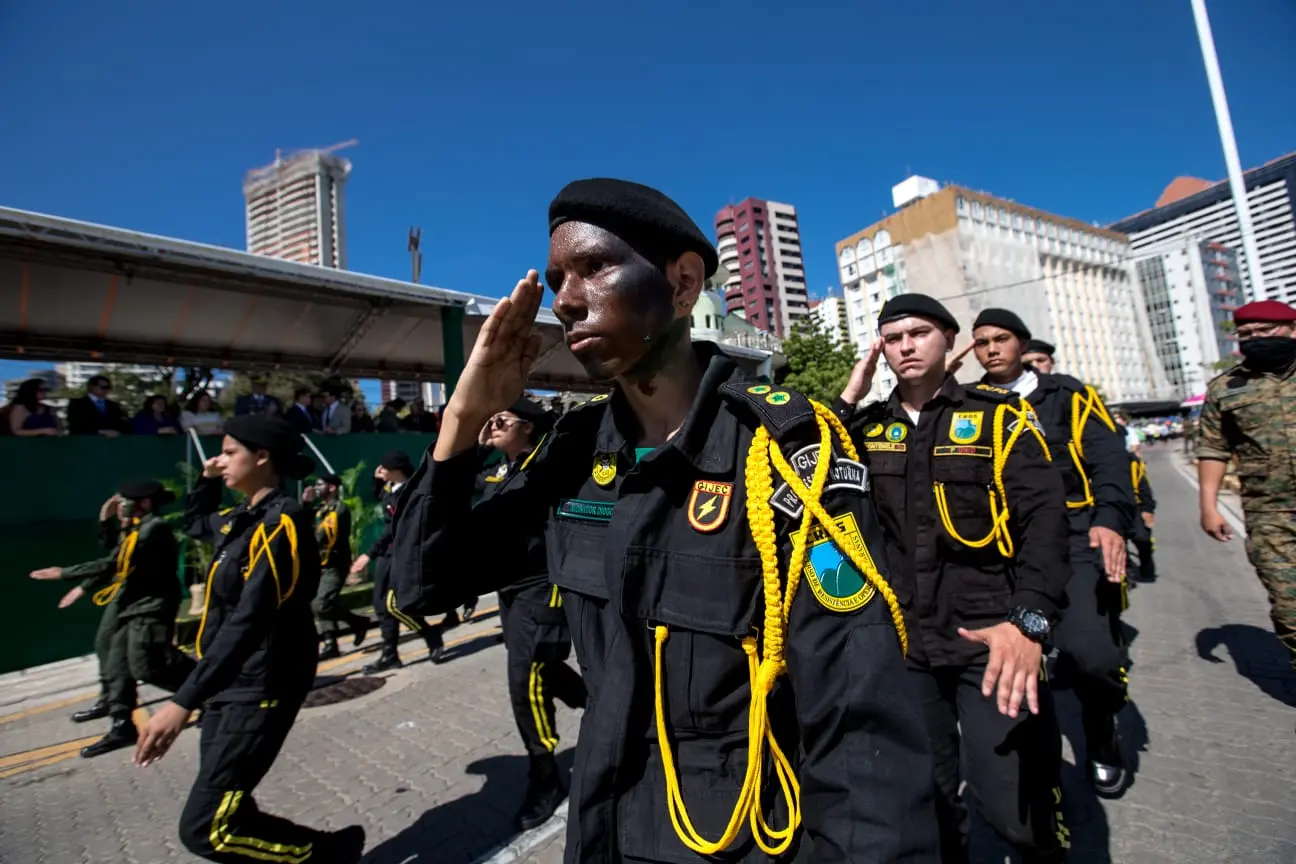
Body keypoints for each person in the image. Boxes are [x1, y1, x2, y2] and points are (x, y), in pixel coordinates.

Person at [391, 178, 937, 861]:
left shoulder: (786, 452)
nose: (565, 300)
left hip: (736, 836)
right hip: (603, 832)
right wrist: (463, 419)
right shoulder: (573, 456)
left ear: (682, 285)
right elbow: (423, 585)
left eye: (594, 267)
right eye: (557, 280)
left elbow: (861, 728)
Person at [835, 294, 1070, 863]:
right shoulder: (867, 428)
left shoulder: (999, 419)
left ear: (949, 339)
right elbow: (804, 465)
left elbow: (1045, 522)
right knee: (930, 798)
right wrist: (848, 398)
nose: (906, 347)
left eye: (919, 333)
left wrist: (1029, 622)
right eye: (893, 339)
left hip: (990, 636)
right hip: (906, 643)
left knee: (1014, 804)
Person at [135, 414, 365, 863]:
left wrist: (183, 701)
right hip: (228, 682)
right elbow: (196, 523)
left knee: (206, 829)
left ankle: (325, 857)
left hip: (262, 681)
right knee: (231, 803)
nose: (219, 461)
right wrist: (207, 480)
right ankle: (331, 849)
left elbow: (251, 619)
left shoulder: (282, 521)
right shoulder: (241, 518)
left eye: (228, 452)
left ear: (261, 456)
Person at [972, 308, 1135, 798]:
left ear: (1022, 345)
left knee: (1095, 656)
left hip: (1075, 536)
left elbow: (1109, 459)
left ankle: (1102, 731)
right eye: (981, 342)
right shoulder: (971, 403)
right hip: (1006, 544)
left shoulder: (1067, 395)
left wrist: (1110, 519)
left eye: (1001, 339)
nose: (991, 349)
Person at [478, 397, 586, 830]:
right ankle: (600, 702)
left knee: (525, 681)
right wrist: (478, 448)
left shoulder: (545, 466)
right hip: (509, 589)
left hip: (541, 586)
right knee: (542, 666)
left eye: (503, 420)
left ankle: (545, 774)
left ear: (528, 428)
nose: (493, 424)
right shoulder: (495, 470)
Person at [29, 480, 196, 757]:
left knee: (148, 666)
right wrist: (106, 521)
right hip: (132, 603)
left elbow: (114, 564)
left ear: (144, 503)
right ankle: (122, 724)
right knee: (115, 658)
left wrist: (65, 573)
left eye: (124, 503)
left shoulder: (154, 529)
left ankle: (208, 691)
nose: (120, 507)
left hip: (150, 605)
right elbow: (113, 553)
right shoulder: (135, 527)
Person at [1197, 299, 1296, 669]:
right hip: (1270, 515)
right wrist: (1209, 507)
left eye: (1265, 330)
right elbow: (1213, 448)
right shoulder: (1226, 387)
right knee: (1289, 607)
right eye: (1245, 334)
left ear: (1292, 330)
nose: (1255, 338)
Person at [350, 451, 450, 672]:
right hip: (387, 554)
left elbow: (393, 528)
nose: (380, 470)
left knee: (394, 604)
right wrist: (378, 480)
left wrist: (369, 554)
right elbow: (379, 496)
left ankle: (429, 633)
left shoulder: (408, 492)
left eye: (384, 468)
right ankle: (390, 653)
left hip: (402, 554)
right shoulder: (391, 488)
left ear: (396, 471)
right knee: (380, 604)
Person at [303, 473, 369, 659]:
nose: (316, 488)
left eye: (319, 485)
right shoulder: (320, 509)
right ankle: (332, 642)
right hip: (319, 564)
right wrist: (305, 504)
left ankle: (356, 622)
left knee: (321, 603)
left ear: (331, 488)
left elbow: (323, 535)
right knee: (318, 603)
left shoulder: (338, 509)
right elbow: (300, 523)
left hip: (334, 564)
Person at [1126, 444, 1157, 584]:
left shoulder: (1133, 462)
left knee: (1142, 538)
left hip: (1134, 506)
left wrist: (1147, 509)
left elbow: (1144, 487)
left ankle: (1147, 570)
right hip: (1108, 507)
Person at [67, 374, 132, 437]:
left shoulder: (114, 406)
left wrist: (118, 432)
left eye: (108, 387)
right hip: (86, 441)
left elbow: (122, 424)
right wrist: (101, 432)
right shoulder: (77, 404)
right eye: (103, 387)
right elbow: (76, 426)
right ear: (92, 387)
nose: (106, 390)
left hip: (111, 442)